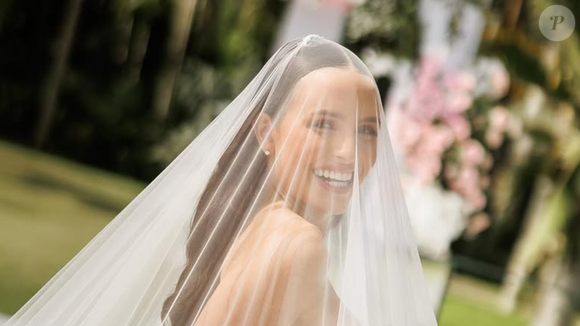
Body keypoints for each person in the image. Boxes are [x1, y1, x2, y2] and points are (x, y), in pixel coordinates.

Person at [5, 35, 438, 326]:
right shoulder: (297, 246)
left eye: (366, 131)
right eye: (324, 124)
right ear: (266, 133)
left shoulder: (262, 228)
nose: (349, 152)